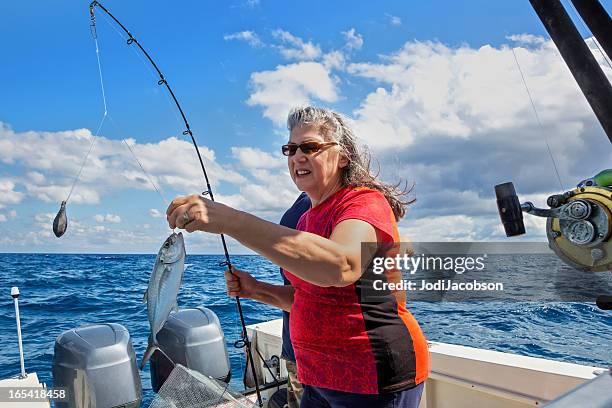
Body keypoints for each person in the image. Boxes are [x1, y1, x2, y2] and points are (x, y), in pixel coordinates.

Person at [167, 106, 429, 407]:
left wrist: (229, 220)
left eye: (310, 147)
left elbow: (341, 265)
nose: (297, 156)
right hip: (318, 377)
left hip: (371, 380)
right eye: (290, 149)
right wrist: (257, 290)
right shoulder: (305, 221)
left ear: (343, 156)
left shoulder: (365, 203)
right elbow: (311, 296)